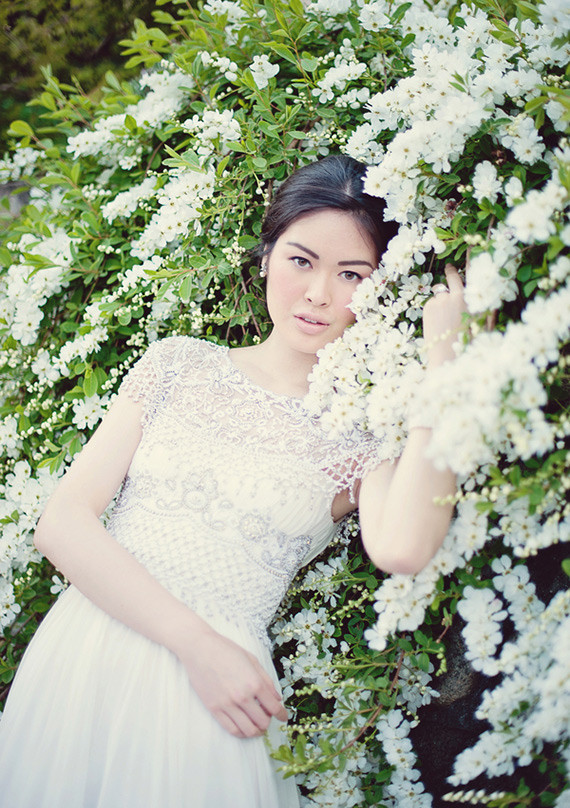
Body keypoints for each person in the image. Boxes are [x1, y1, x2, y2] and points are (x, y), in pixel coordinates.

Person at [0, 155, 465, 807]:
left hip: (213, 706)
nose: (318, 294)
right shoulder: (179, 365)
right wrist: (194, 643)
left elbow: (404, 547)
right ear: (269, 254)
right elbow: (63, 522)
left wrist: (446, 372)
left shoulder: (361, 431)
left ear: (382, 287)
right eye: (302, 260)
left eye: (352, 274)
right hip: (89, 658)